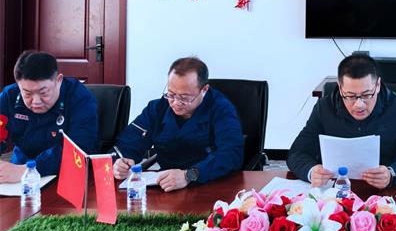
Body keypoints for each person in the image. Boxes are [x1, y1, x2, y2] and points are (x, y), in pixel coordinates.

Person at [287, 54, 396, 189]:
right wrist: (311, 171)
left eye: (366, 95)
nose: (359, 104)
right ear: (340, 88)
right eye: (350, 96)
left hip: (383, 192)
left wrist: (392, 174)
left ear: (378, 85)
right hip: (335, 190)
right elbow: (296, 153)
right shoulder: (324, 107)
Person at [111, 57, 243, 192]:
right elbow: (126, 145)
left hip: (211, 184)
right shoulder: (157, 109)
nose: (176, 103)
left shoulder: (221, 109)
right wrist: (120, 163)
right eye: (171, 94)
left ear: (204, 90)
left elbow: (231, 154)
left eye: (184, 97)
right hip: (167, 185)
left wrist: (189, 175)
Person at [0, 51, 98, 182]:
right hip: (18, 170)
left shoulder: (80, 98)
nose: (36, 102)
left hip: (66, 173)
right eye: (27, 93)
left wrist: (28, 170)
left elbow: (79, 148)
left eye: (43, 93)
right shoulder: (9, 96)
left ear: (58, 80)